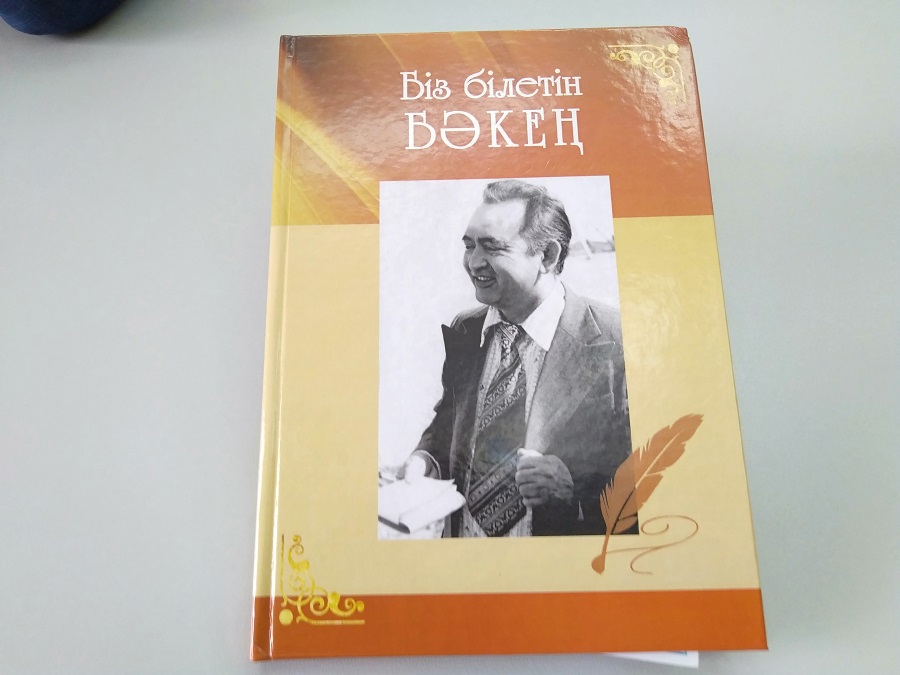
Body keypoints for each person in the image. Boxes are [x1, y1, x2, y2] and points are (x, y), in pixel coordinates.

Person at [402, 179, 632, 537]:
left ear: (547, 256)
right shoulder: (465, 330)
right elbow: (449, 421)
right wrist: (426, 458)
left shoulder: (616, 341)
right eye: (469, 245)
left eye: (492, 247)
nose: (473, 262)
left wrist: (574, 489)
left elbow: (652, 478)